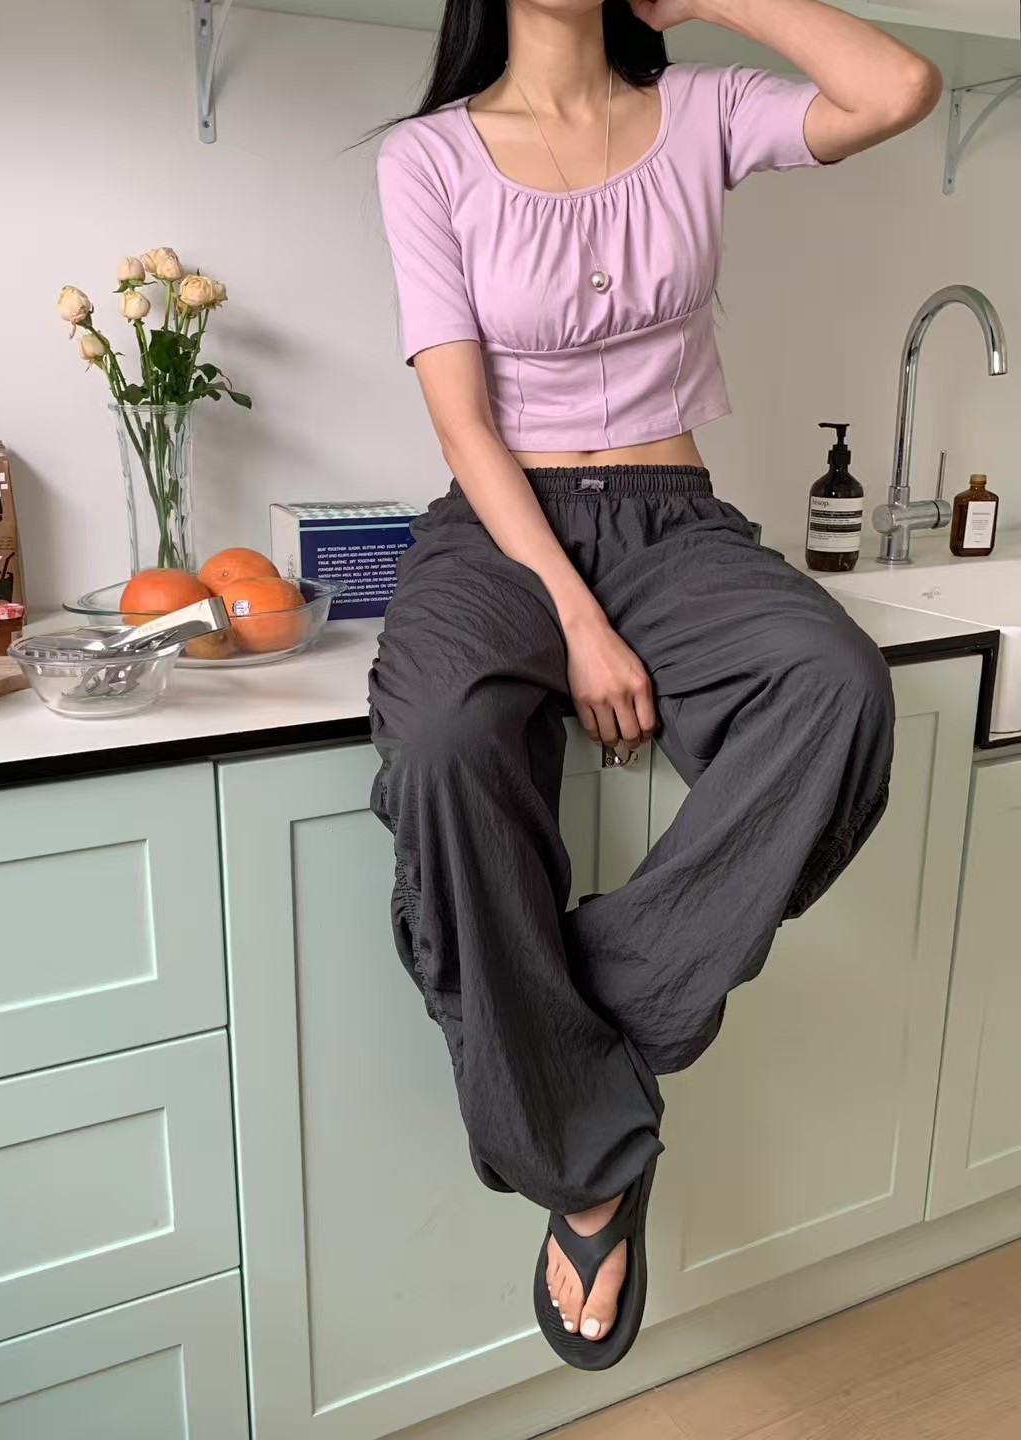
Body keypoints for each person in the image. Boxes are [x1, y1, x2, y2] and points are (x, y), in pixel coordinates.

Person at [369, 0, 940, 1371]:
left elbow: (901, 86)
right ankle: (590, 1156)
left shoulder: (702, 112)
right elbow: (462, 421)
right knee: (442, 740)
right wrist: (575, 616)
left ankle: (567, 1055)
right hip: (502, 525)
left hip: (673, 520)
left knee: (838, 688)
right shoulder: (429, 156)